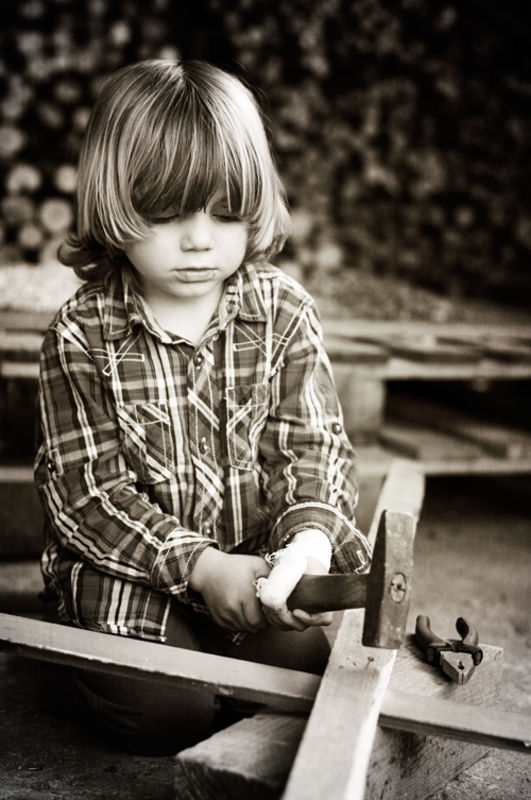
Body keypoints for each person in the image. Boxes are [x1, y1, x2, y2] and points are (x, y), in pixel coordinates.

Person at [35, 59, 371, 755]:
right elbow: (88, 495)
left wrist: (308, 543)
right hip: (126, 575)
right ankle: (67, 661)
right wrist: (199, 566)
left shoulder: (282, 312)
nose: (199, 239)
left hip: (251, 569)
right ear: (115, 204)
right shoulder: (81, 333)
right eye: (166, 214)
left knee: (301, 679)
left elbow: (311, 448)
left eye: (225, 213)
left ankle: (213, 653)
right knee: (168, 712)